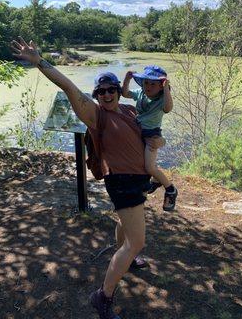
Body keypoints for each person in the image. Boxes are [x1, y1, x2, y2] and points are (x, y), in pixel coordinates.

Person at [11, 37, 165, 319]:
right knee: (137, 242)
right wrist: (39, 62)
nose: (106, 95)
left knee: (125, 225)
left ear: (118, 91)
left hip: (138, 178)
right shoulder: (96, 116)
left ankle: (126, 259)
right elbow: (69, 87)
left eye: (111, 90)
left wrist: (159, 142)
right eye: (101, 91)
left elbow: (149, 132)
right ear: (96, 95)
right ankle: (103, 297)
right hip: (120, 181)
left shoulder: (130, 111)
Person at [122, 66, 178, 211]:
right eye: (146, 82)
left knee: (149, 167)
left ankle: (170, 189)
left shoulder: (162, 99)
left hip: (152, 135)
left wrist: (166, 89)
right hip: (138, 132)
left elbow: (168, 108)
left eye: (153, 83)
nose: (148, 86)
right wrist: (127, 79)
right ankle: (152, 182)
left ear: (161, 86)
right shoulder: (140, 93)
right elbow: (125, 93)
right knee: (143, 164)